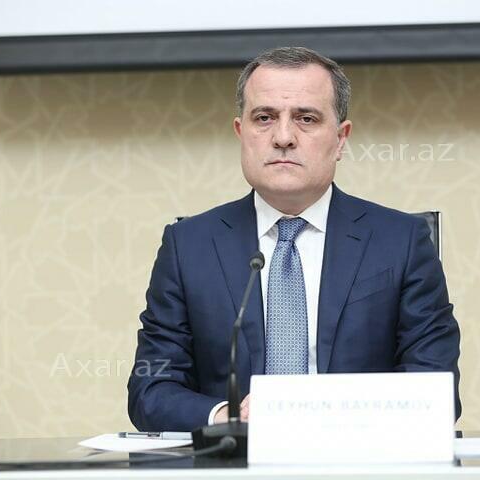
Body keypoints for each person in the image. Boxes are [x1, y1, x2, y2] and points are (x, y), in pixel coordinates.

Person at [128, 46, 461, 431]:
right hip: (234, 457)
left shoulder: (401, 242)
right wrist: (229, 417)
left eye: (306, 118)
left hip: (357, 454)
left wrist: (325, 416)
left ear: (341, 139)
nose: (283, 137)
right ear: (241, 132)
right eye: (264, 118)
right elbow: (151, 388)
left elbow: (436, 387)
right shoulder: (188, 246)